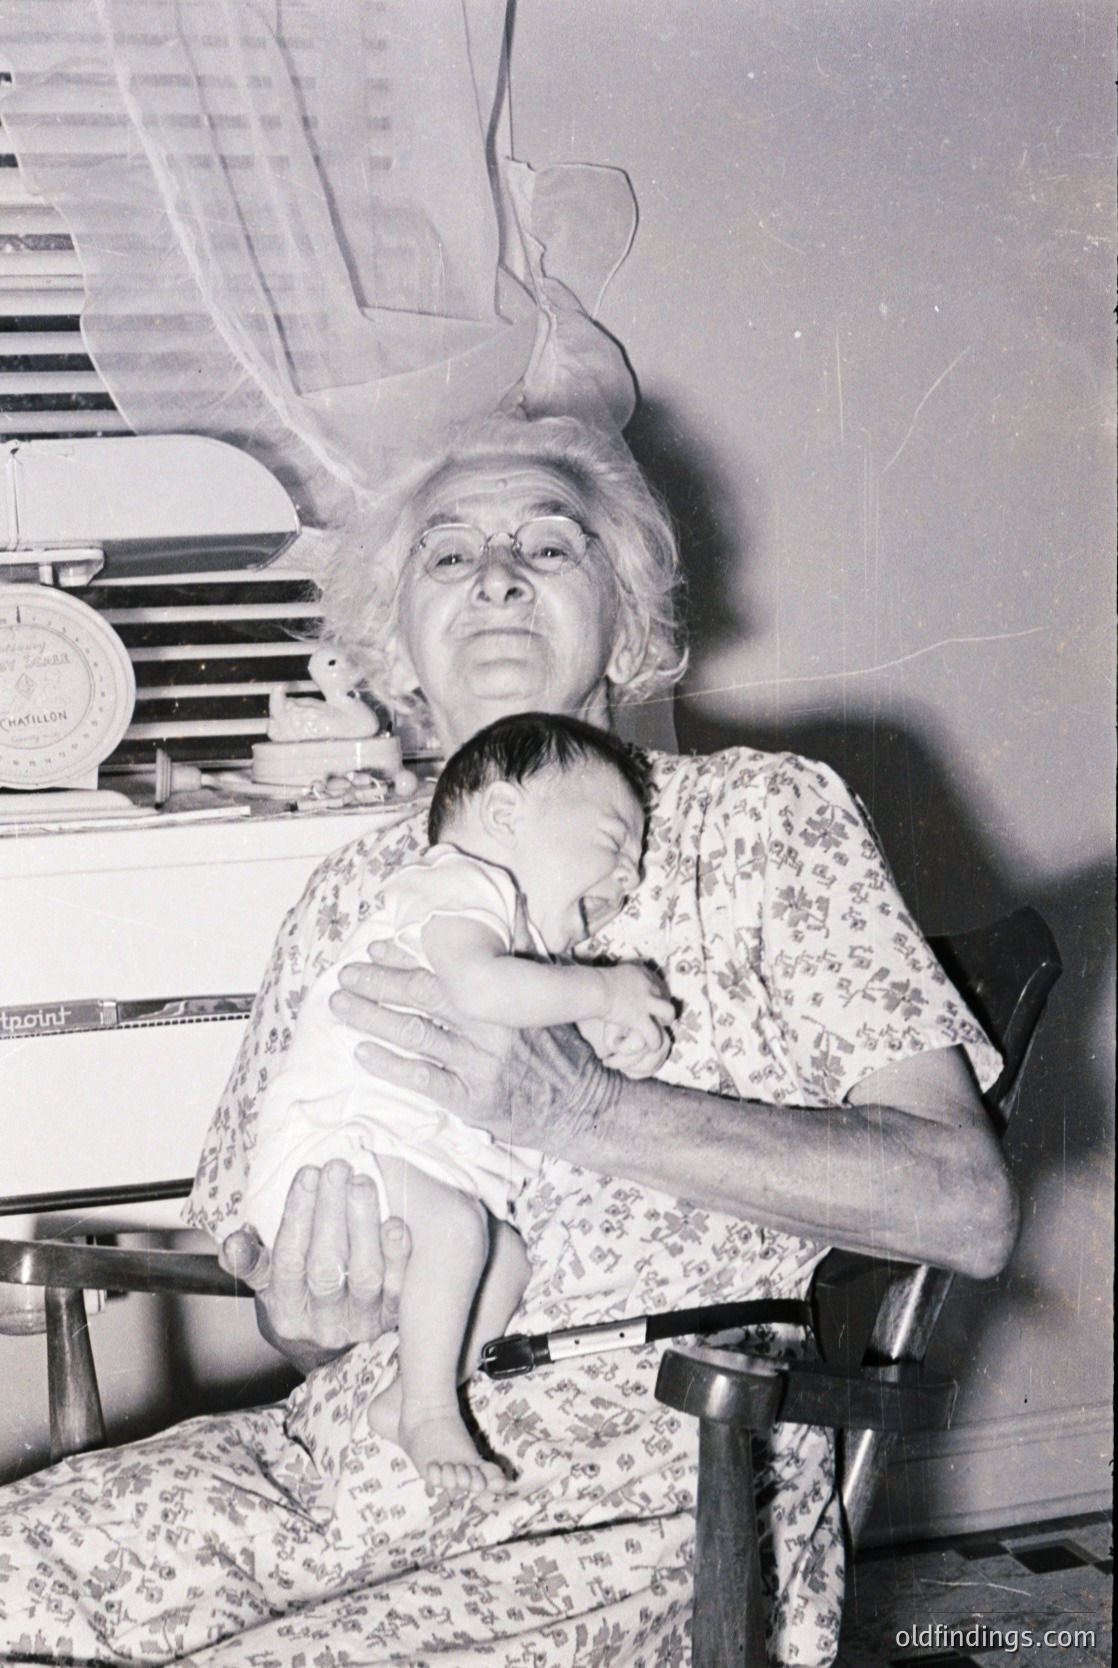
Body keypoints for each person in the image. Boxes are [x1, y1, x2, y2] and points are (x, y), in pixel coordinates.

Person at [0, 413, 1016, 1668]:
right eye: (446, 557)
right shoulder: (352, 888)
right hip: (343, 1455)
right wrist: (316, 1301)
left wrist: (587, 1110)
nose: (494, 576)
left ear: (630, 621)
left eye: (548, 544)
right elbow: (294, 1320)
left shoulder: (759, 820)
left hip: (653, 1473)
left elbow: (965, 1210)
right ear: (393, 646)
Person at [241, 711, 672, 1498]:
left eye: (637, 865)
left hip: (402, 1163)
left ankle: (409, 1395)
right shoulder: (459, 881)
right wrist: (607, 988)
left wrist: (615, 1038)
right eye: (613, 845)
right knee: (457, 1228)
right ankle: (433, 1410)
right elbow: (481, 991)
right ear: (506, 817)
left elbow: (530, 1022)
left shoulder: (523, 945)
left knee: (503, 1256)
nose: (631, 878)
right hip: (339, 1148)